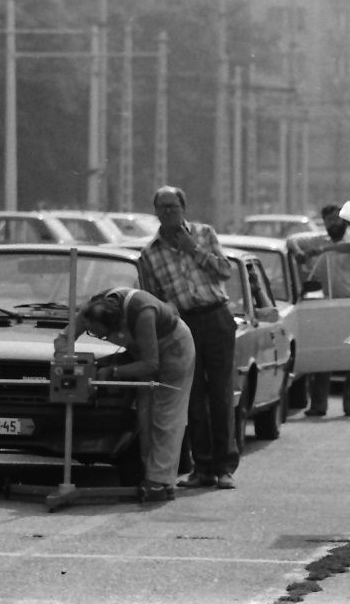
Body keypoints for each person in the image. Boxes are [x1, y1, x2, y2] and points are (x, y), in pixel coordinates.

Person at [139, 186, 238, 490]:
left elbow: (225, 271)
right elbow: (154, 297)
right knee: (193, 398)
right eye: (163, 207)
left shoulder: (204, 233)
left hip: (216, 316)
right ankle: (202, 467)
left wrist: (193, 249)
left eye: (174, 206)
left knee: (220, 393)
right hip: (184, 324)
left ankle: (224, 468)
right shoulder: (150, 253)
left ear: (184, 207)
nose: (169, 212)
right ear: (156, 211)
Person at [55, 287, 195, 502]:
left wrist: (112, 372)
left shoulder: (143, 313)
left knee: (165, 417)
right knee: (145, 416)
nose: (97, 336)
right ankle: (154, 478)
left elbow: (150, 363)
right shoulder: (91, 311)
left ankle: (158, 483)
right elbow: (63, 340)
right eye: (91, 332)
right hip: (143, 352)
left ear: (118, 325)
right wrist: (70, 365)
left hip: (173, 348)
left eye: (101, 334)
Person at [290, 204, 350, 418]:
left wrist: (323, 250)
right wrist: (299, 254)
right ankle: (318, 405)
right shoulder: (319, 238)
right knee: (324, 354)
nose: (333, 224)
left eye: (336, 219)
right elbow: (292, 240)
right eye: (329, 220)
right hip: (330, 302)